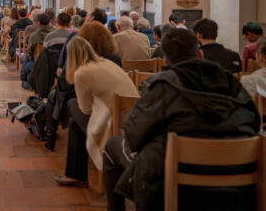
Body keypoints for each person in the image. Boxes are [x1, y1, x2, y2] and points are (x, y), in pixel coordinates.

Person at [103, 28, 259, 211]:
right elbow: (254, 124)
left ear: (166, 60)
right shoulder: (233, 82)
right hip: (237, 173)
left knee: (112, 145)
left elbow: (133, 136)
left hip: (177, 176)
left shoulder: (163, 85)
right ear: (200, 54)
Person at [54, 37, 138, 187]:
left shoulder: (82, 73)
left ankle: (76, 175)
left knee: (71, 104)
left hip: (113, 123)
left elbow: (85, 110)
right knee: (74, 125)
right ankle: (75, 176)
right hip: (133, 119)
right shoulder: (108, 63)